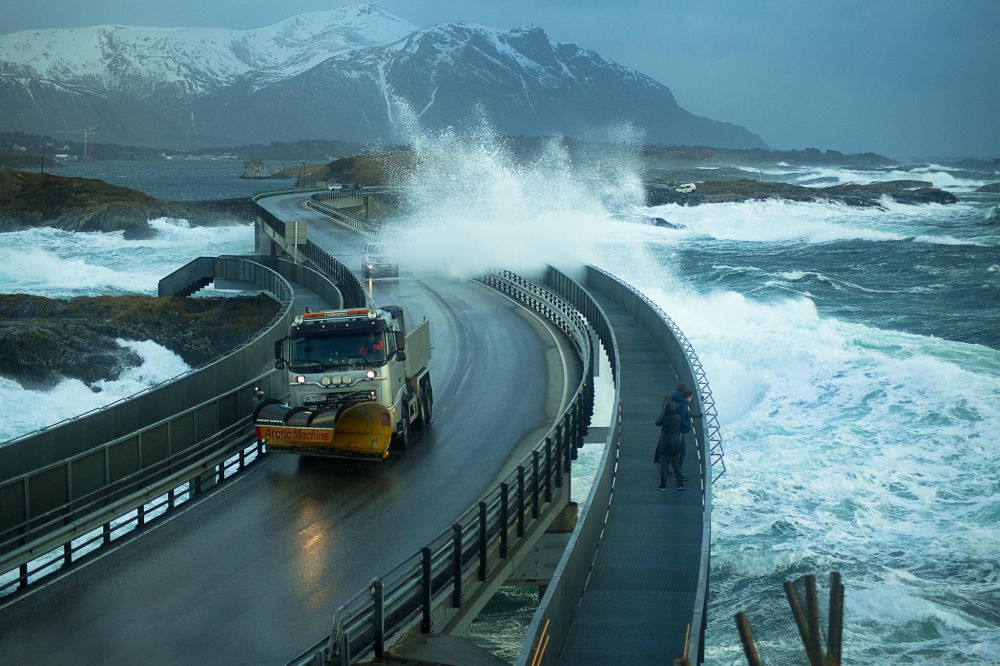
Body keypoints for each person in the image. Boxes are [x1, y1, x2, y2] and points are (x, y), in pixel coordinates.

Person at [655, 399, 684, 491]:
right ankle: (680, 485)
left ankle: (663, 486)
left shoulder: (664, 419)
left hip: (665, 445)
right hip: (676, 444)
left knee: (664, 466)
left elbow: (657, 423)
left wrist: (662, 414)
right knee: (675, 465)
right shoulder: (678, 418)